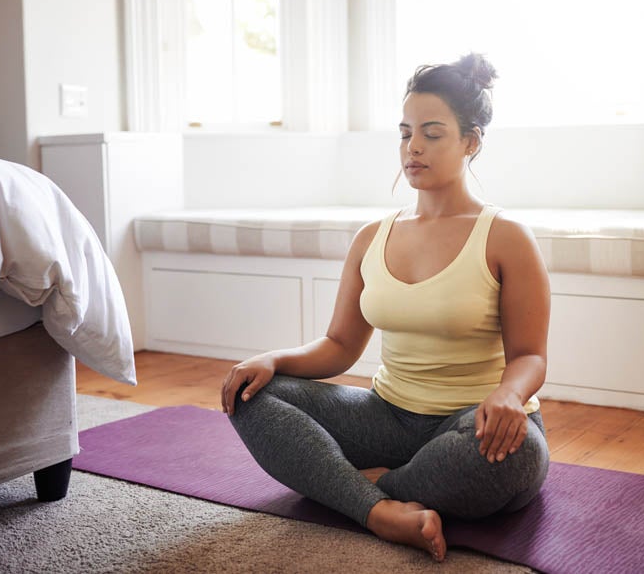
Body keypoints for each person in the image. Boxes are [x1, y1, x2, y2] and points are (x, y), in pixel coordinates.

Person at [221, 53, 551, 562]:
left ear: (471, 140)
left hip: (473, 425)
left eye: (432, 133)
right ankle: (381, 510)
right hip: (386, 417)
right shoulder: (371, 238)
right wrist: (273, 360)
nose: (413, 147)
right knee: (250, 396)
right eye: (404, 133)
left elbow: (530, 355)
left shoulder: (505, 237)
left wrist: (509, 394)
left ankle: (357, 485)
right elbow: (339, 347)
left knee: (518, 455)